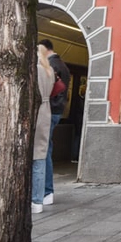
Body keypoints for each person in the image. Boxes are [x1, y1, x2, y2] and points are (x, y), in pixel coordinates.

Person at [39, 38, 70, 204]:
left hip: (49, 110)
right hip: (57, 110)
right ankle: (45, 191)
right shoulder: (62, 65)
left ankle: (46, 191)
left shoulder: (51, 66)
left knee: (43, 151)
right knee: (45, 148)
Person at [31, 44, 55, 214]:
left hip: (35, 111)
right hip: (46, 111)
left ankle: (33, 198)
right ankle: (38, 200)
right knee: (40, 154)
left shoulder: (35, 70)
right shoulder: (49, 71)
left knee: (32, 156)